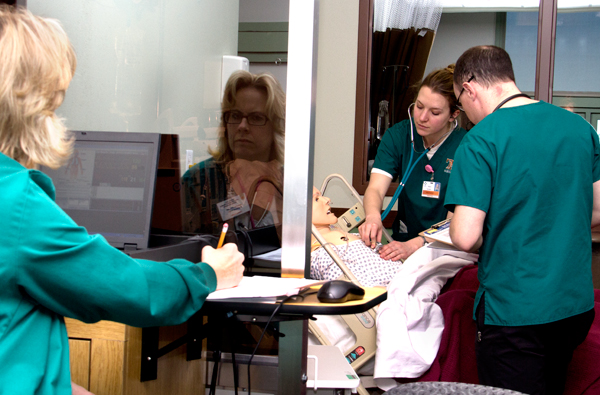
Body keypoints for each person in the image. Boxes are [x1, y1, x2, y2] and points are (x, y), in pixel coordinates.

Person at [0, 6, 245, 394]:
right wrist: (208, 275)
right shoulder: (15, 202)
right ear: (27, 103)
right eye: (53, 102)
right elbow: (126, 287)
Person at [446, 45, 599, 395]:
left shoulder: (481, 140)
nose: (464, 113)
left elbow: (465, 237)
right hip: (573, 306)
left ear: (469, 88)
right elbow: (598, 209)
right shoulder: (578, 128)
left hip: (516, 312)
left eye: (459, 102)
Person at [359, 65, 467, 261]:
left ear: (454, 115)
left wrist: (417, 244)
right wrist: (373, 217)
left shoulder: (466, 147)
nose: (422, 118)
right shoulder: (398, 136)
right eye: (419, 106)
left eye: (434, 112)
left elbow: (456, 219)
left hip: (446, 249)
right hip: (404, 237)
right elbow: (375, 189)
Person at [182, 70, 285, 236]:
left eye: (256, 117)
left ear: (275, 126)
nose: (242, 126)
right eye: (235, 116)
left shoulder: (289, 183)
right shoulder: (198, 180)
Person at [310, 187, 403, 287]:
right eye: (316, 199)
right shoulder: (324, 256)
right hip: (402, 291)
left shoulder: (349, 236)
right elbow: (359, 291)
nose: (327, 199)